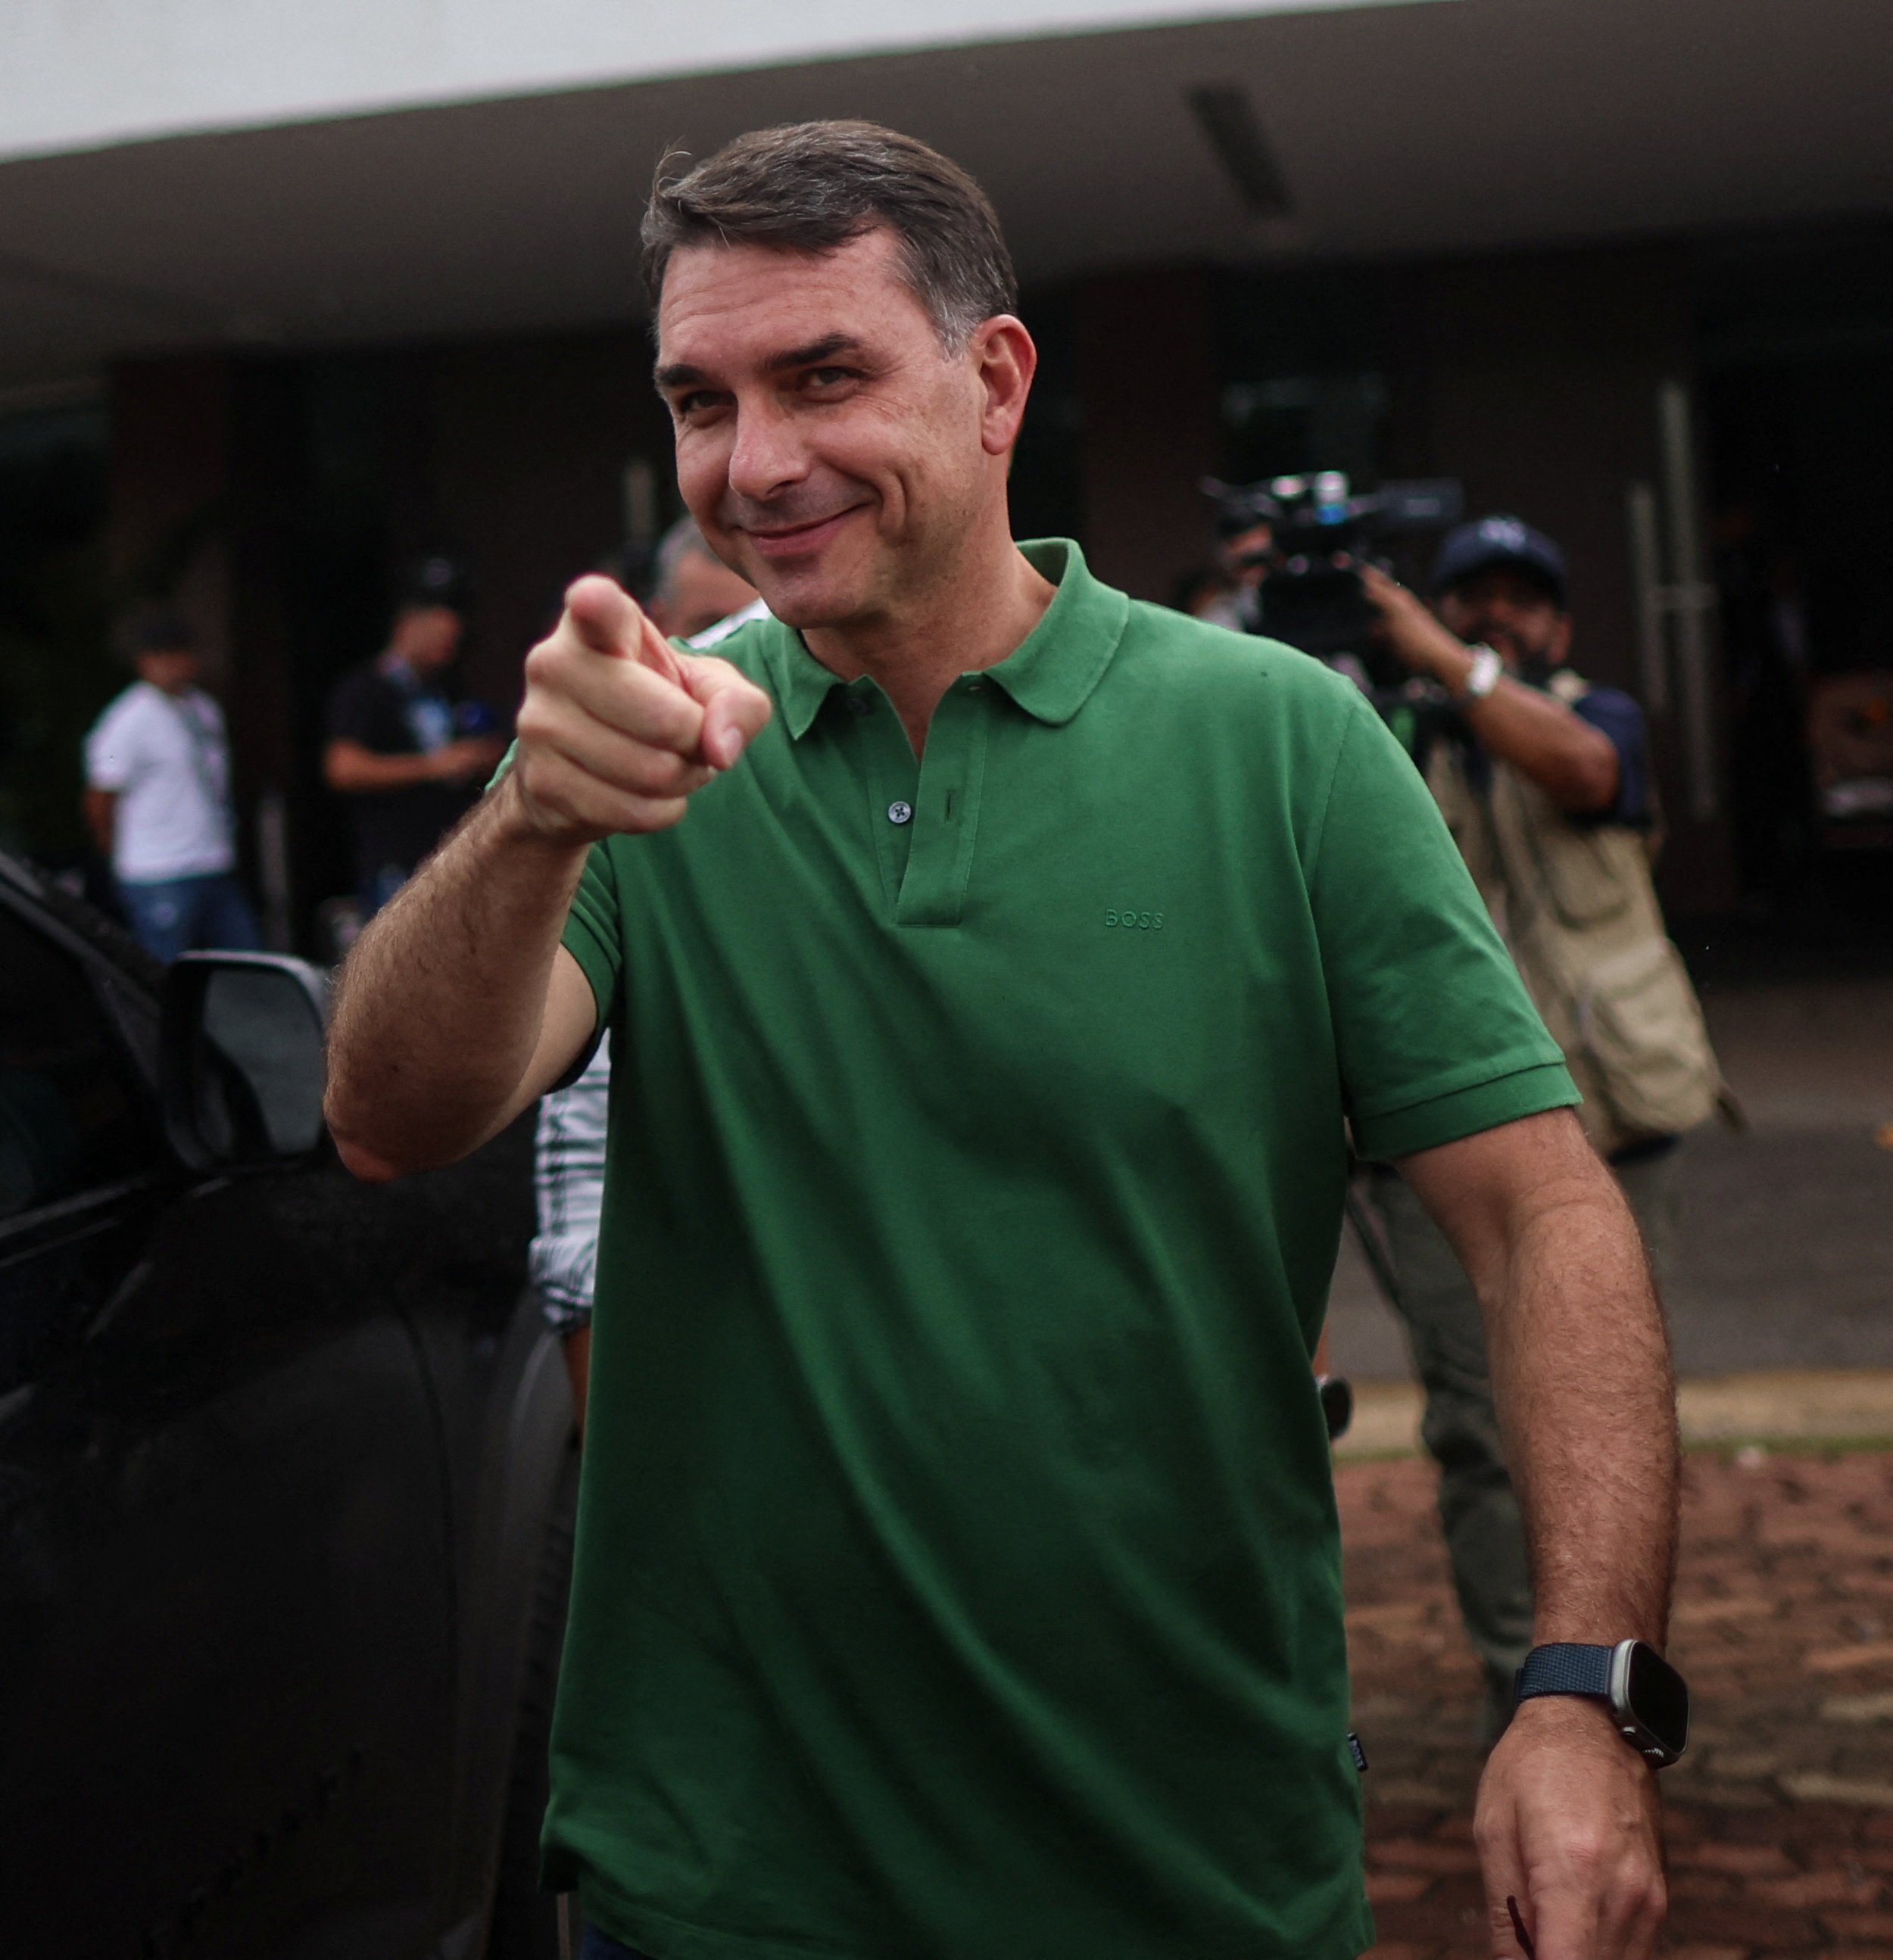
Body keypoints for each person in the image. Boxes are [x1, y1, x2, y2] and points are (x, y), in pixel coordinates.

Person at [326, 120, 1673, 1960]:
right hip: (719, 1883)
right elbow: (391, 1116)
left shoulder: (1282, 741)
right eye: (700, 401)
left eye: (822, 376)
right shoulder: (644, 746)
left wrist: (1584, 1687)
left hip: (1188, 1869)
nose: (754, 461)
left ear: (995, 382)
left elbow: (1541, 1217)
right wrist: (528, 821)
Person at [1360, 516, 1723, 1719]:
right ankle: (1518, 1690)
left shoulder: (1596, 715)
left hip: (1620, 1117)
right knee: (1476, 1426)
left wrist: (1448, 661)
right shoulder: (1383, 738)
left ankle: (1611, 1682)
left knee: (1613, 1411)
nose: (1495, 616)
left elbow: (1585, 773)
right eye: (1472, 597)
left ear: (1560, 625)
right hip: (1442, 1139)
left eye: (1522, 599)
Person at [532, 519, 763, 1428]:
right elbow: (581, 1163)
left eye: (761, 626)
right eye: (711, 630)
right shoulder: (615, 793)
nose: (736, 663)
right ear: (661, 625)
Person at [323, 556, 507, 908]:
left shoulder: (447, 690)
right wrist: (434, 766)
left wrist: (480, 759)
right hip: (396, 868)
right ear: (408, 623)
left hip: (453, 862)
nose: (449, 643)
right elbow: (343, 768)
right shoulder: (365, 689)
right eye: (439, 630)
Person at [82, 610, 257, 961]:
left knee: (245, 961)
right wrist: (115, 851)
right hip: (159, 870)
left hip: (213, 860)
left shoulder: (204, 708)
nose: (174, 664)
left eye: (180, 653)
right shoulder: (128, 720)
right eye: (162, 655)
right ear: (144, 662)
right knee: (165, 966)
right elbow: (102, 791)